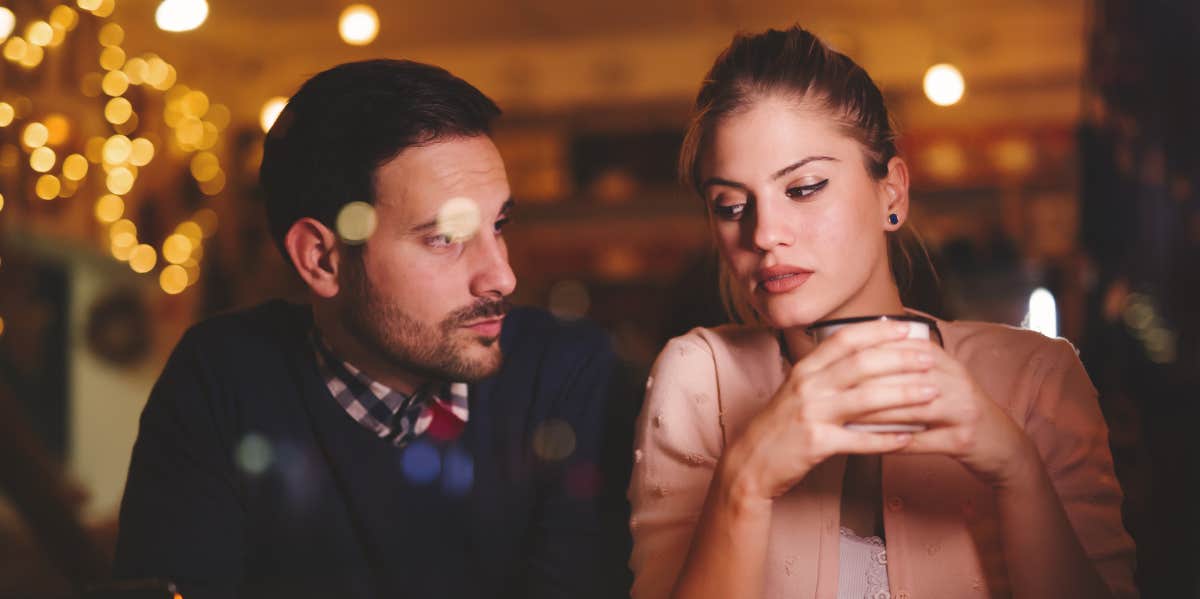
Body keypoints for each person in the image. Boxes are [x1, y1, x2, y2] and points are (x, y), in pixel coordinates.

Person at [628, 27, 1137, 599]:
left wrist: (1017, 467)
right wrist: (745, 480)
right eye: (732, 205)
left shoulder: (1037, 376)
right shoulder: (703, 380)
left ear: (891, 192)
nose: (765, 234)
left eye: (804, 188)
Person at [113, 59, 635, 599]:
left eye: (498, 225)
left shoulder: (569, 369)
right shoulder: (222, 377)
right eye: (445, 238)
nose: (502, 275)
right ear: (322, 259)